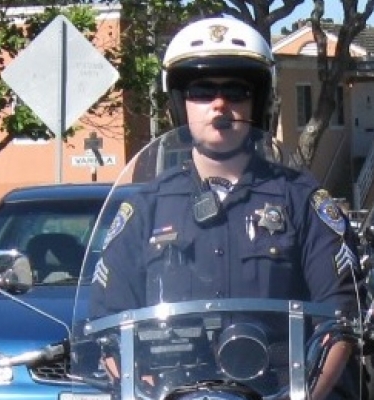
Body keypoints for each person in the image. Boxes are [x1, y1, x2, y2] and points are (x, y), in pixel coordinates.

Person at [87, 15, 357, 400]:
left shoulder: (301, 199)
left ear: (259, 102)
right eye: (201, 92)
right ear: (179, 106)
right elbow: (107, 322)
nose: (219, 105)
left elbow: (340, 319)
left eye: (236, 92)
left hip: (280, 392)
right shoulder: (145, 206)